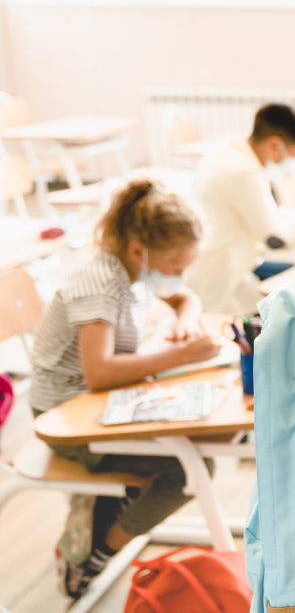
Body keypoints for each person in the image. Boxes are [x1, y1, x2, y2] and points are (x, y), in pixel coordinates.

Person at [29, 179, 221, 598]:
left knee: (198, 438)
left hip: (98, 407)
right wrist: (182, 355)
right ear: (140, 250)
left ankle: (104, 510)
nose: (178, 276)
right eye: (173, 267)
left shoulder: (128, 270)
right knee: (190, 471)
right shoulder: (100, 284)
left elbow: (182, 296)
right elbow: (98, 372)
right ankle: (96, 552)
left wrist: (187, 317)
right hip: (70, 420)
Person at [186, 103, 295, 314]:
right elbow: (276, 238)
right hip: (222, 277)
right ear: (274, 145)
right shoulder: (244, 173)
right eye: (294, 156)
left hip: (207, 264)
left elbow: (259, 213)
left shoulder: (226, 151)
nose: (293, 165)